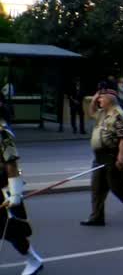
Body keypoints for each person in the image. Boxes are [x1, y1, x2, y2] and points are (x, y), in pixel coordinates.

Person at [81, 89, 123, 227]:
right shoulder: (102, 113)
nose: (99, 100)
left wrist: (121, 158)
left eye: (101, 98)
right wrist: (94, 99)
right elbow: (91, 113)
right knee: (97, 188)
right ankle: (97, 217)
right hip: (99, 157)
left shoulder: (117, 115)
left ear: (110, 99)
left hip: (112, 156)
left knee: (117, 188)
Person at [0, 113, 44, 275]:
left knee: (11, 230)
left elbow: (11, 163)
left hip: (2, 189)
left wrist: (15, 195)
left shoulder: (2, 132)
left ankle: (33, 260)